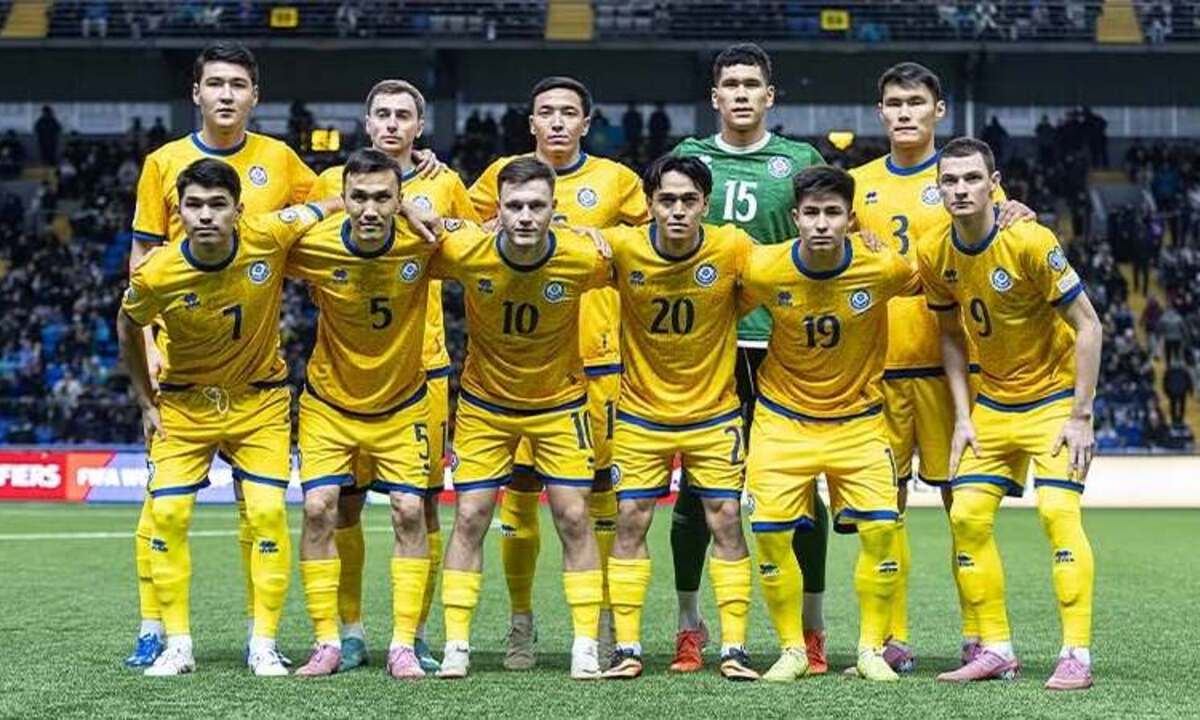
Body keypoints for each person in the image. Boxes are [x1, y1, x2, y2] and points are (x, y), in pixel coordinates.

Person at [123, 40, 317, 671]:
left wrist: (411, 169)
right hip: (180, 368)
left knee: (261, 511)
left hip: (255, 368)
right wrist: (150, 354)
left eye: (238, 84)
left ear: (255, 95)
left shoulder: (280, 159)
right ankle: (155, 628)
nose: (226, 94)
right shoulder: (163, 163)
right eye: (215, 83)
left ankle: (262, 639)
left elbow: (336, 201)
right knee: (162, 508)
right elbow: (142, 264)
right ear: (196, 93)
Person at [848, 61, 1032, 671]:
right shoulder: (855, 185)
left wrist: (1020, 212)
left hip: (952, 369)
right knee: (884, 514)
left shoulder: (964, 179)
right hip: (877, 371)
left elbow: (1008, 235)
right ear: (880, 112)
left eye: (916, 102)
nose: (905, 112)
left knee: (964, 511)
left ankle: (980, 635)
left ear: (938, 110)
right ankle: (890, 639)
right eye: (894, 103)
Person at [469, 76, 648, 671]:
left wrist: (610, 236)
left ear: (586, 122)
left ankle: (600, 621)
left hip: (597, 362)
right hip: (521, 369)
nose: (557, 122)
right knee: (519, 497)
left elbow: (651, 241)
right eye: (546, 112)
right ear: (531, 123)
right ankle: (520, 621)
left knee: (597, 498)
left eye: (569, 112)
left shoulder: (617, 181)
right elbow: (454, 230)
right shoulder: (501, 176)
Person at [305, 79, 482, 675]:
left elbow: (476, 246)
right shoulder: (332, 183)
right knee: (342, 506)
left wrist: (423, 205)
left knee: (419, 508)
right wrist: (402, 204)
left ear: (419, 126)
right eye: (381, 113)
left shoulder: (446, 182)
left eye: (403, 115)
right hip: (347, 367)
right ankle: (349, 632)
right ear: (366, 121)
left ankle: (416, 634)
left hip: (422, 367)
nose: (391, 124)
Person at [918, 137, 1102, 691]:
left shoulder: (1029, 239)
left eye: (972, 178)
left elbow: (1089, 325)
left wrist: (1081, 415)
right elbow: (950, 336)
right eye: (950, 180)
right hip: (993, 405)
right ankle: (996, 649)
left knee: (1057, 513)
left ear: (993, 184)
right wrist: (963, 416)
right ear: (938, 188)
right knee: (966, 518)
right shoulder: (934, 251)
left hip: (1053, 402)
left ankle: (1076, 654)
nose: (961, 189)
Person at [670, 42, 828, 674]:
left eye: (751, 84)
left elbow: (837, 230)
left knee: (801, 489)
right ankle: (689, 626)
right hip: (707, 346)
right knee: (696, 492)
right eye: (730, 84)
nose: (741, 93)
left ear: (770, 95)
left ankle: (811, 631)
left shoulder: (800, 161)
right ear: (715, 96)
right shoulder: (689, 158)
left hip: (784, 346)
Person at [434, 158, 612, 680]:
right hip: (485, 407)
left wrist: (599, 235)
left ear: (556, 209)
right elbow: (406, 232)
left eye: (537, 206)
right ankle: (457, 646)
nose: (526, 216)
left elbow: (648, 259)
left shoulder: (582, 256)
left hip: (560, 406)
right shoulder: (467, 251)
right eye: (515, 206)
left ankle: (585, 644)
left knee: (574, 517)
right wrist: (421, 206)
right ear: (498, 210)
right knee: (470, 517)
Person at [741, 165, 916, 683]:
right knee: (770, 536)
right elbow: (721, 299)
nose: (822, 223)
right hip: (782, 421)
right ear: (795, 217)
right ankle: (793, 650)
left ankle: (870, 650)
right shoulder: (764, 268)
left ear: (850, 219)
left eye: (833, 213)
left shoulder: (882, 267)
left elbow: (930, 277)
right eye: (812, 213)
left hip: (859, 422)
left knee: (881, 531)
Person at [287, 149, 444, 679]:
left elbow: (494, 239)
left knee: (409, 511)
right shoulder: (314, 245)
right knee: (318, 509)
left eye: (383, 198)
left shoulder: (424, 242)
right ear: (343, 198)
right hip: (329, 404)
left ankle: (403, 644)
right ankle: (329, 640)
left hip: (402, 405)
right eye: (358, 197)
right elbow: (255, 245)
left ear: (400, 200)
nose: (370, 209)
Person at [602, 156, 757, 681]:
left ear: (705, 205)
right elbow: (562, 244)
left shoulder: (732, 247)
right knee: (631, 518)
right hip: (641, 414)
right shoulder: (623, 247)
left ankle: (734, 648)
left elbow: (785, 263)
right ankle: (627, 647)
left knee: (726, 518)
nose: (677, 210)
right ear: (649, 205)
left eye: (689, 200)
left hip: (714, 414)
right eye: (666, 200)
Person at [1164, 360, 1193, 425]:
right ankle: (1180, 419)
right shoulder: (1184, 370)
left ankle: (1174, 419)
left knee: (1173, 405)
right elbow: (1189, 381)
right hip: (1182, 391)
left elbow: (1165, 381)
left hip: (1173, 391)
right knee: (1181, 406)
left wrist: (1166, 391)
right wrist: (1190, 390)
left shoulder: (1169, 371)